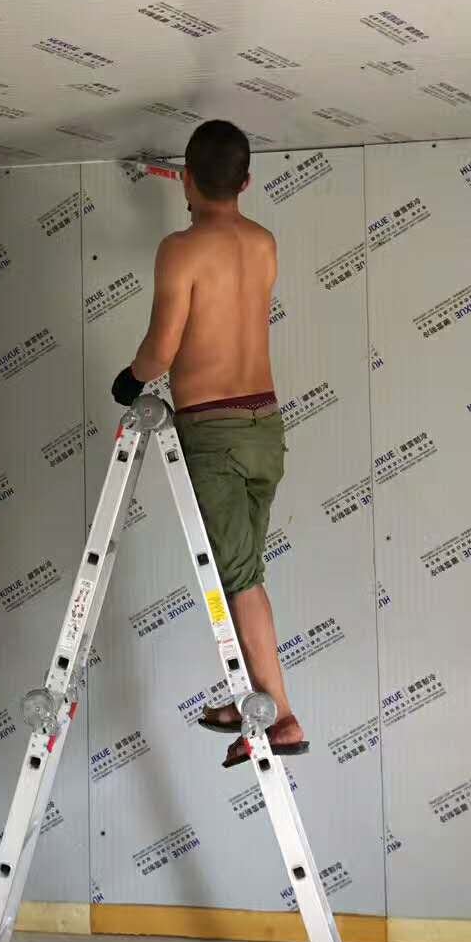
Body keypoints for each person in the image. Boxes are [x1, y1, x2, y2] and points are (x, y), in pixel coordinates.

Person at [111, 120, 309, 768]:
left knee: (239, 576)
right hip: (265, 428)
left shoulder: (180, 250)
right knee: (241, 571)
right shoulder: (264, 242)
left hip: (215, 431)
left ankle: (281, 716)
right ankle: (252, 695)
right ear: (246, 183)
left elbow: (161, 349)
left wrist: (130, 380)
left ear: (187, 180)